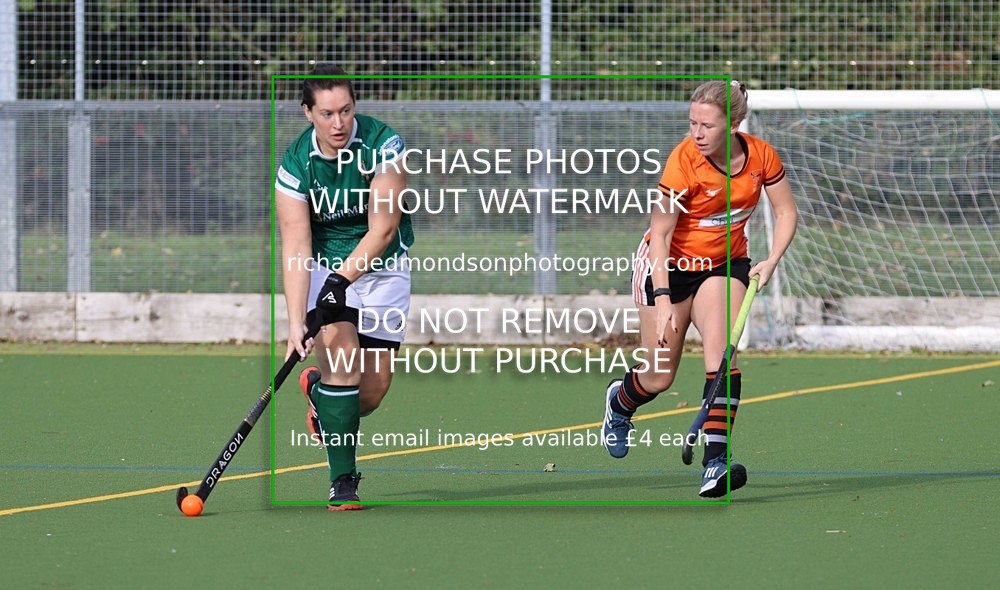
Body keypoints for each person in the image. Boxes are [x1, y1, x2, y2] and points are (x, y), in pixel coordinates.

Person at [601, 80, 797, 497]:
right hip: (668, 266)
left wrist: (773, 258)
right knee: (658, 378)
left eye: (707, 125)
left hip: (724, 266)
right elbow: (661, 233)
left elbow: (785, 211)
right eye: (692, 123)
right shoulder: (684, 162)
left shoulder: (761, 156)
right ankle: (620, 402)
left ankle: (716, 464)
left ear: (734, 124)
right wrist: (664, 298)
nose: (697, 133)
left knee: (721, 360)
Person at [275, 63, 413, 510]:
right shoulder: (296, 165)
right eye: (328, 114)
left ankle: (317, 391)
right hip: (323, 268)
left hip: (382, 269)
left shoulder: (383, 146)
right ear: (307, 113)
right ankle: (343, 480)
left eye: (347, 111)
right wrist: (297, 321)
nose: (339, 123)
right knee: (343, 369)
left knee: (368, 395)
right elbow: (296, 242)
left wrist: (340, 280)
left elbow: (383, 229)